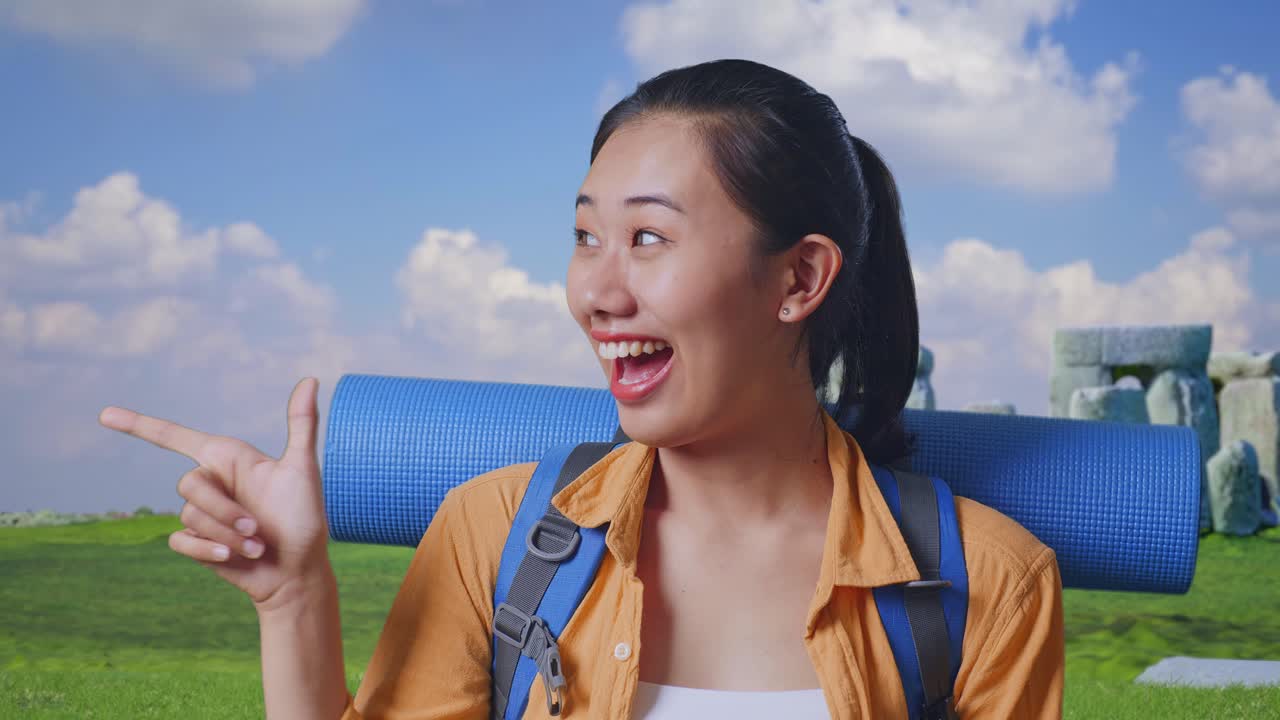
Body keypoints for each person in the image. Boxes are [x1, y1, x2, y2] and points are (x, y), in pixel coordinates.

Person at [99, 58, 1064, 719]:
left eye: (647, 238)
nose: (597, 294)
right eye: (585, 236)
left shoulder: (990, 587)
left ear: (798, 280)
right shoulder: (494, 537)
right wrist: (292, 602)